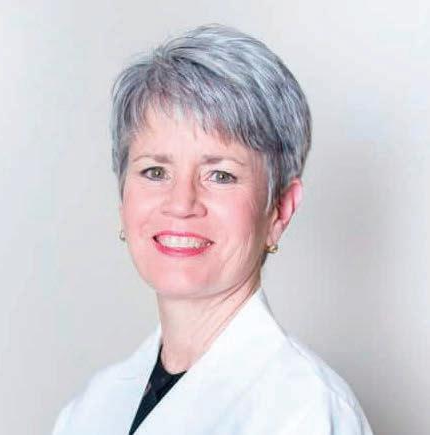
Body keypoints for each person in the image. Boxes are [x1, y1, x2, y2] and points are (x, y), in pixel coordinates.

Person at [52, 24, 374, 434]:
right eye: (155, 171)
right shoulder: (89, 408)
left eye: (220, 175)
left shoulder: (305, 410)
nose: (180, 203)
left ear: (279, 210)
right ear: (122, 197)